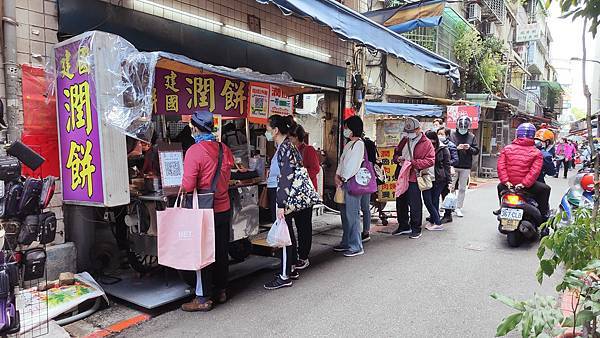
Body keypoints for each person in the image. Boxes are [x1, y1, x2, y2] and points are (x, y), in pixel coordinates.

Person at [180, 111, 235, 312]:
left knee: (202, 252)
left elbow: (187, 185)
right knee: (221, 250)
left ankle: (202, 298)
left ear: (194, 128)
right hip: (223, 207)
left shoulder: (194, 151)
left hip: (204, 210)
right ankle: (221, 290)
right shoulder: (224, 149)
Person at [263, 115, 308, 290]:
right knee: (287, 232)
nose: (266, 132)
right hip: (284, 194)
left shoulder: (285, 148)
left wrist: (281, 204)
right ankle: (290, 267)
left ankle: (284, 276)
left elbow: (285, 177)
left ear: (275, 130)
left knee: (283, 234)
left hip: (282, 195)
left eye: (267, 129)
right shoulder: (285, 146)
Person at [392, 117, 435, 239]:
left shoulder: (426, 143)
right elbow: (396, 153)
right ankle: (403, 225)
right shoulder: (405, 139)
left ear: (418, 129)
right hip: (402, 174)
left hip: (414, 176)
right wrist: (397, 159)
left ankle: (416, 228)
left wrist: (414, 163)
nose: (409, 134)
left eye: (411, 132)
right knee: (401, 201)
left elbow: (430, 160)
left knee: (415, 203)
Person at [496, 123, 550, 218]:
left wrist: (506, 182)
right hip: (526, 186)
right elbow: (534, 172)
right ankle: (543, 215)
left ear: (517, 134)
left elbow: (501, 167)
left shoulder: (506, 149)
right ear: (533, 136)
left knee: (500, 187)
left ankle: (502, 207)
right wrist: (523, 184)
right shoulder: (537, 153)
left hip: (509, 185)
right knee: (546, 189)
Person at [334, 115, 370, 256]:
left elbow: (353, 166)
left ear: (353, 128)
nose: (345, 130)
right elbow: (342, 163)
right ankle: (347, 242)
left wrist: (343, 177)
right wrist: (338, 175)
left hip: (351, 183)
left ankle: (356, 246)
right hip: (344, 182)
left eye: (347, 127)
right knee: (345, 215)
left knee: (352, 215)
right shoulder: (349, 144)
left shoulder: (359, 144)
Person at [288, 124, 320, 270]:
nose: (289, 140)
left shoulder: (308, 150)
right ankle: (294, 254)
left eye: (291, 137)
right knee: (295, 225)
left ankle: (304, 256)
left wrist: (300, 172)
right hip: (293, 194)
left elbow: (315, 169)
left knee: (304, 226)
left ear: (297, 137)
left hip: (305, 195)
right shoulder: (290, 150)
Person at [449, 116, 479, 218]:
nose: (462, 130)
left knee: (462, 188)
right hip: (453, 165)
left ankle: (458, 207)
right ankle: (448, 205)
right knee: (450, 186)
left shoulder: (471, 136)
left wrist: (469, 148)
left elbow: (476, 151)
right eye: (461, 127)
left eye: (464, 128)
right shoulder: (451, 135)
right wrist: (456, 148)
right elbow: (446, 148)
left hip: (466, 166)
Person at [423, 131, 451, 231]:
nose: (429, 142)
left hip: (439, 178)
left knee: (434, 200)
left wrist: (449, 181)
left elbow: (447, 165)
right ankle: (433, 220)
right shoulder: (424, 147)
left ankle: (437, 223)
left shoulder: (443, 148)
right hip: (426, 177)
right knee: (428, 200)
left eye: (431, 140)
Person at [438, 127, 458, 224]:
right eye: (438, 133)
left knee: (446, 194)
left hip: (447, 172)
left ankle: (448, 214)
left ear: (447, 135)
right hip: (438, 173)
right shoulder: (437, 145)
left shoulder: (451, 146)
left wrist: (446, 162)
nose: (440, 136)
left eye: (442, 134)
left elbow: (455, 159)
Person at [362, 136, 379, 243]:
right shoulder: (370, 143)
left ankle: (355, 235)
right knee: (365, 207)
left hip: (358, 178)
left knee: (354, 209)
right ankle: (366, 231)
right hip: (368, 177)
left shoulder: (359, 144)